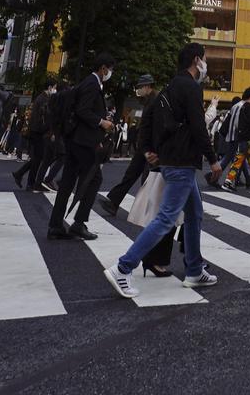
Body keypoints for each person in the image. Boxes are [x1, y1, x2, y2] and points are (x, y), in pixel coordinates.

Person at [103, 43, 219, 298]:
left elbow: (148, 121)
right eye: (204, 61)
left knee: (194, 213)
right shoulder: (190, 87)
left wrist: (146, 149)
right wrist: (213, 159)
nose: (205, 66)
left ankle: (194, 269)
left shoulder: (168, 88)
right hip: (182, 163)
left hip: (171, 161)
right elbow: (199, 127)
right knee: (166, 218)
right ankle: (123, 267)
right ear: (197, 60)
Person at [48, 55, 115, 241]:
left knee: (68, 182)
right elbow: (83, 110)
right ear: (103, 68)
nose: (110, 73)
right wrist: (102, 122)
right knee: (94, 179)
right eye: (110, 69)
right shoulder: (92, 84)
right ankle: (78, 223)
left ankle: (55, 225)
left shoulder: (87, 83)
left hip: (74, 140)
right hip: (83, 142)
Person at [98, 75, 156, 214]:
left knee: (148, 178)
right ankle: (113, 201)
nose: (138, 90)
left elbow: (151, 126)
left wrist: (149, 147)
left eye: (139, 87)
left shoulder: (155, 101)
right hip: (145, 145)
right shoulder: (149, 100)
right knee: (131, 174)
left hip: (150, 146)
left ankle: (149, 210)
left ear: (147, 86)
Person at [14, 79, 58, 192]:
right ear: (49, 87)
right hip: (39, 132)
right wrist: (48, 129)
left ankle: (22, 176)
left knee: (37, 158)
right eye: (54, 87)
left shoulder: (41, 98)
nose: (55, 90)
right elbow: (44, 118)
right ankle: (30, 182)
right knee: (38, 159)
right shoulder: (44, 99)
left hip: (36, 131)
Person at [222, 87, 250, 191]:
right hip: (248, 138)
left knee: (240, 160)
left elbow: (238, 122)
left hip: (241, 137)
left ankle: (228, 181)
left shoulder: (241, 106)